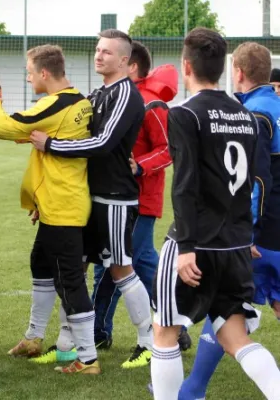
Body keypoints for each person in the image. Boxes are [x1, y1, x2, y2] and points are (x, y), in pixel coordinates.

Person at [150, 28, 280, 400]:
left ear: (186, 66)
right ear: (224, 67)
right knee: (234, 337)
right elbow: (252, 183)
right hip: (235, 245)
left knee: (164, 331)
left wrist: (187, 246)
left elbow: (185, 184)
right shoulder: (245, 114)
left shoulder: (185, 113)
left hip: (194, 244)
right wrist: (245, 237)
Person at [30, 29, 152, 369]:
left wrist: (52, 145)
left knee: (120, 268)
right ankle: (68, 345)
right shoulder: (98, 93)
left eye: (108, 52)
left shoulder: (127, 95)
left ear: (126, 61)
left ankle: (148, 341)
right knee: (75, 268)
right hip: (85, 197)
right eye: (98, 50)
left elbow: (103, 143)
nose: (99, 56)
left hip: (114, 198)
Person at [0, 44, 100, 375]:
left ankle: (88, 358)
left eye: (29, 71)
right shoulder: (78, 100)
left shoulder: (56, 104)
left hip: (64, 205)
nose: (28, 76)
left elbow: (8, 127)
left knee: (71, 281)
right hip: (57, 203)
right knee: (41, 262)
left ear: (44, 73)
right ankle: (35, 337)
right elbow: (33, 133)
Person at [88, 41, 188, 353]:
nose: (103, 57)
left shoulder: (151, 104)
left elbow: (170, 148)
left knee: (121, 265)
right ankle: (102, 331)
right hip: (112, 195)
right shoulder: (115, 95)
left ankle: (166, 325)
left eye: (115, 55)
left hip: (139, 199)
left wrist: (140, 166)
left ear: (131, 65)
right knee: (129, 263)